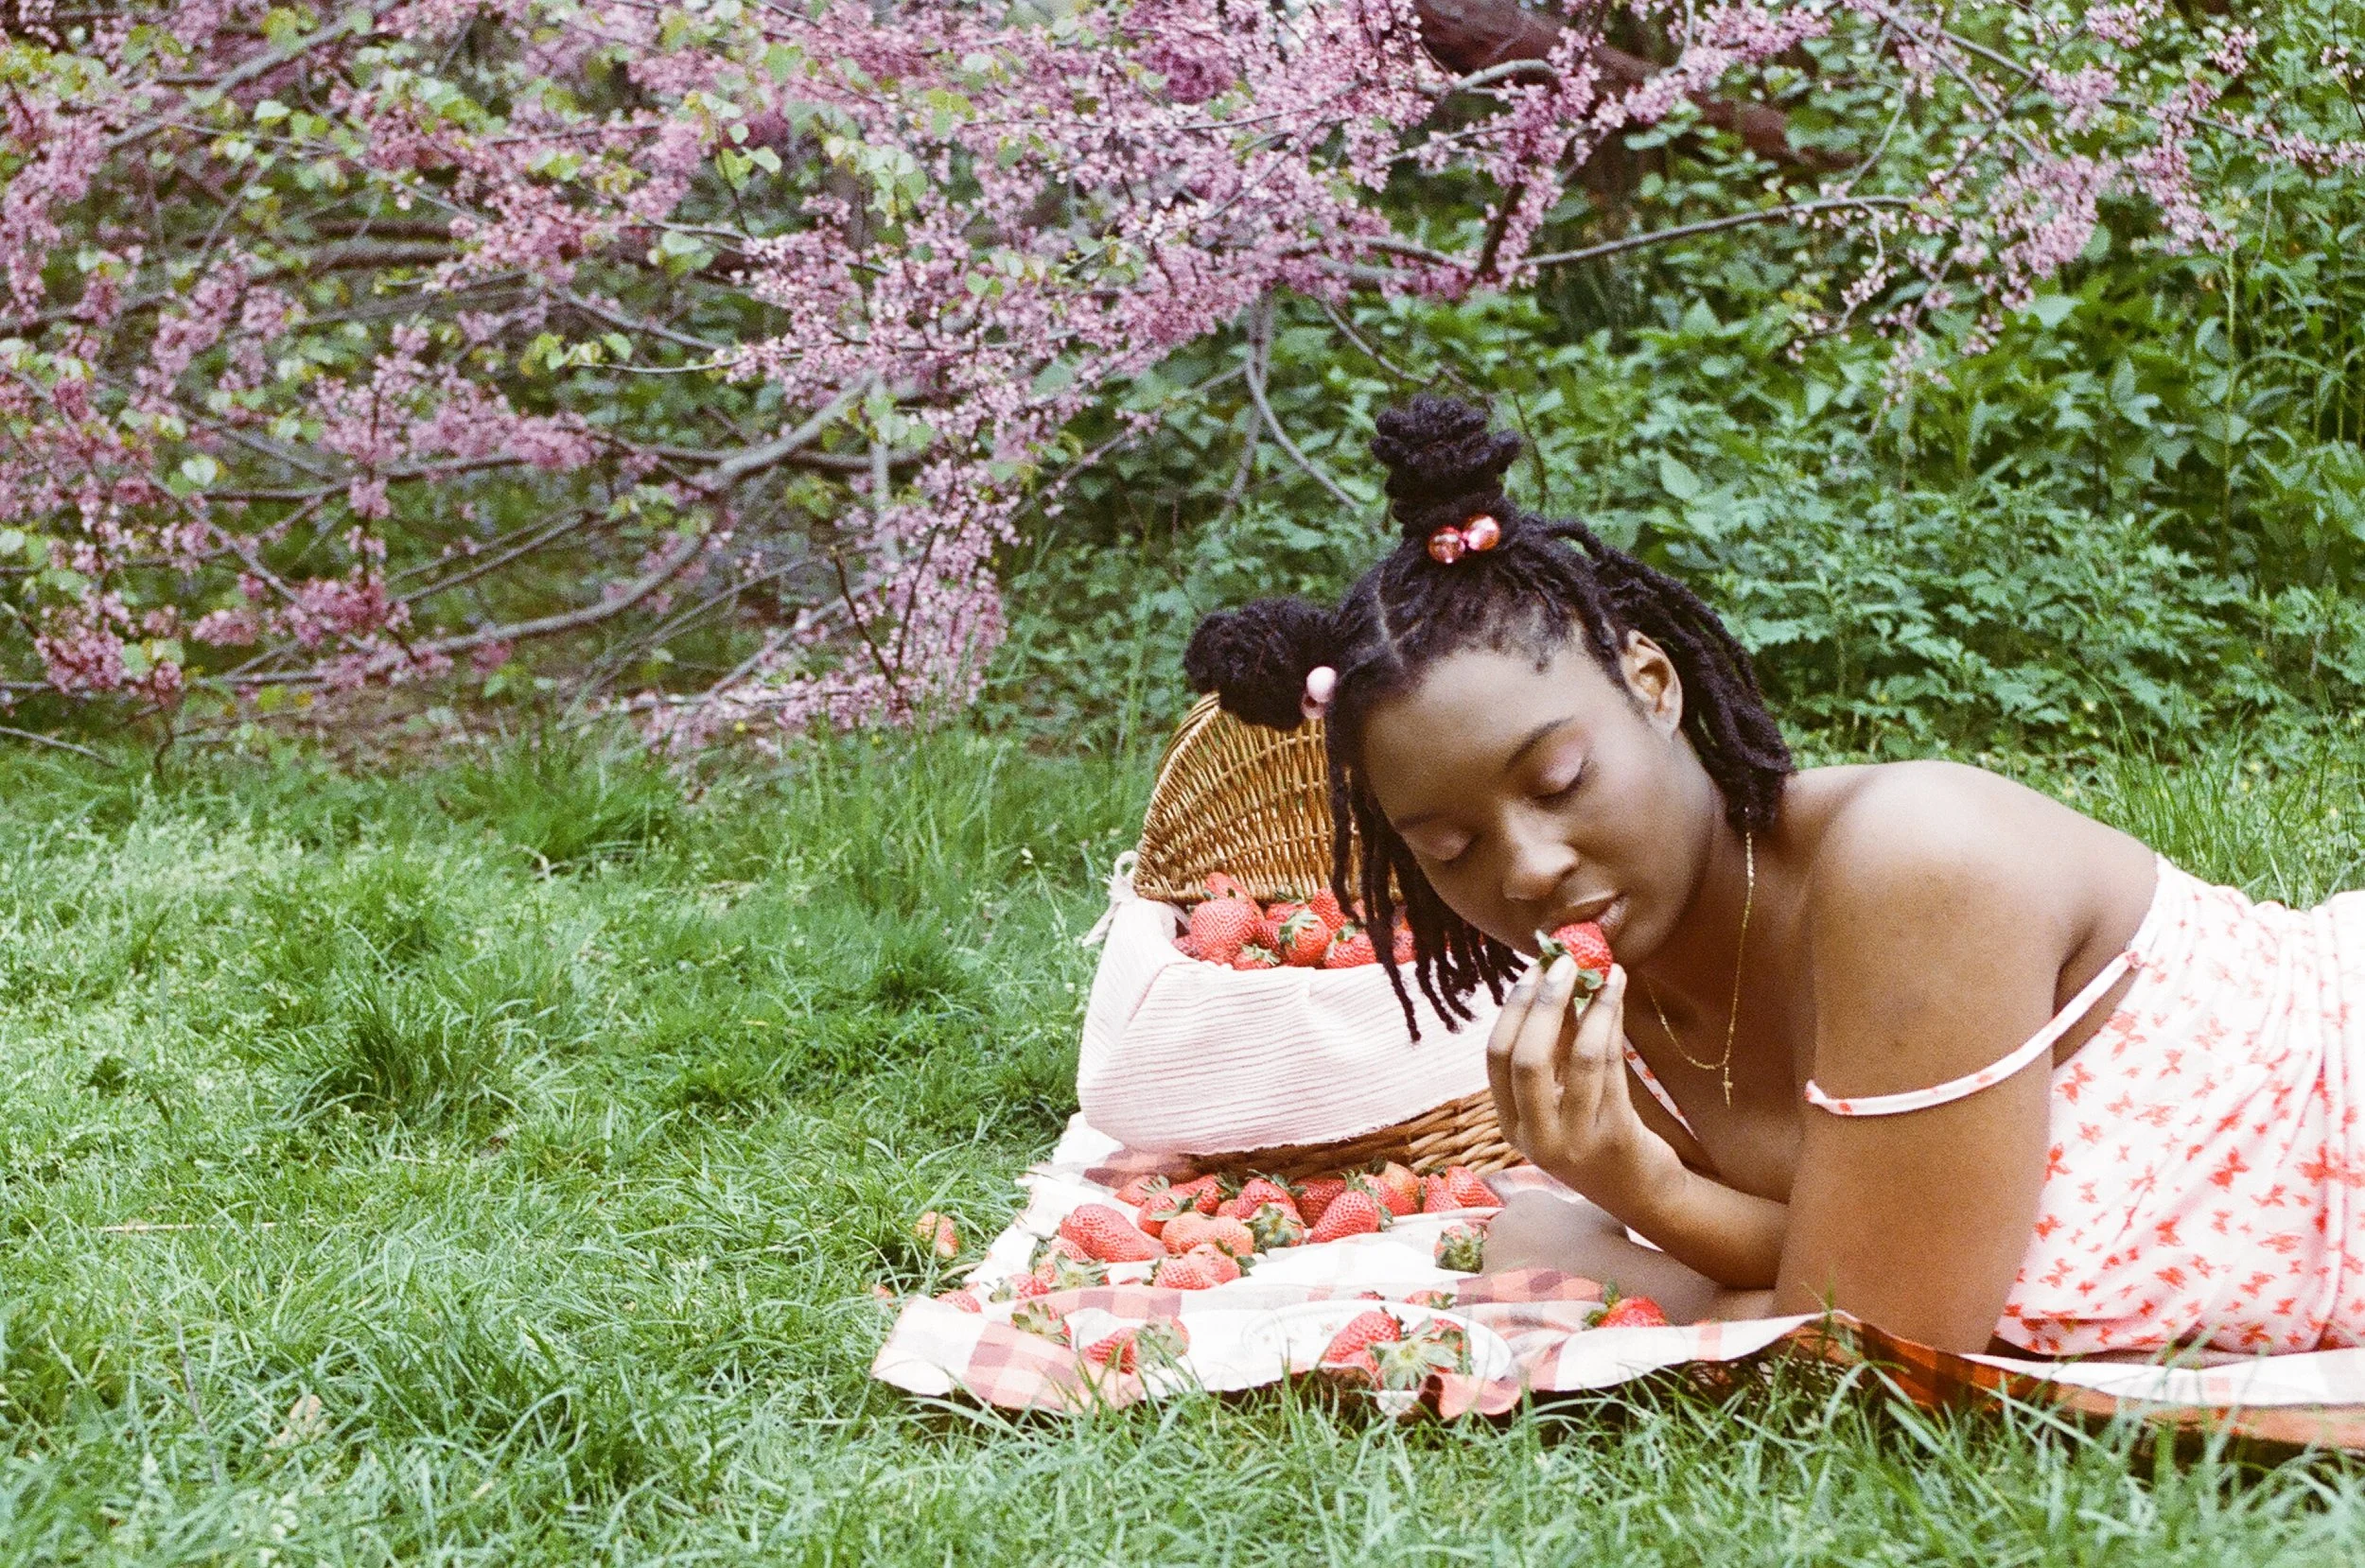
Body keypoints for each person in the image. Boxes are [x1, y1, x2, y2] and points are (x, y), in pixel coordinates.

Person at [1181, 394, 2365, 1357]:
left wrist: (1634, 1222)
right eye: (1449, 847)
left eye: (1557, 780)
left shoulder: (1917, 866)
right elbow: (1852, 1247)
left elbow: (1877, 1347)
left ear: (1652, 683)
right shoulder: (1630, 992)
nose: (1527, 866)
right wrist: (1626, 1189)